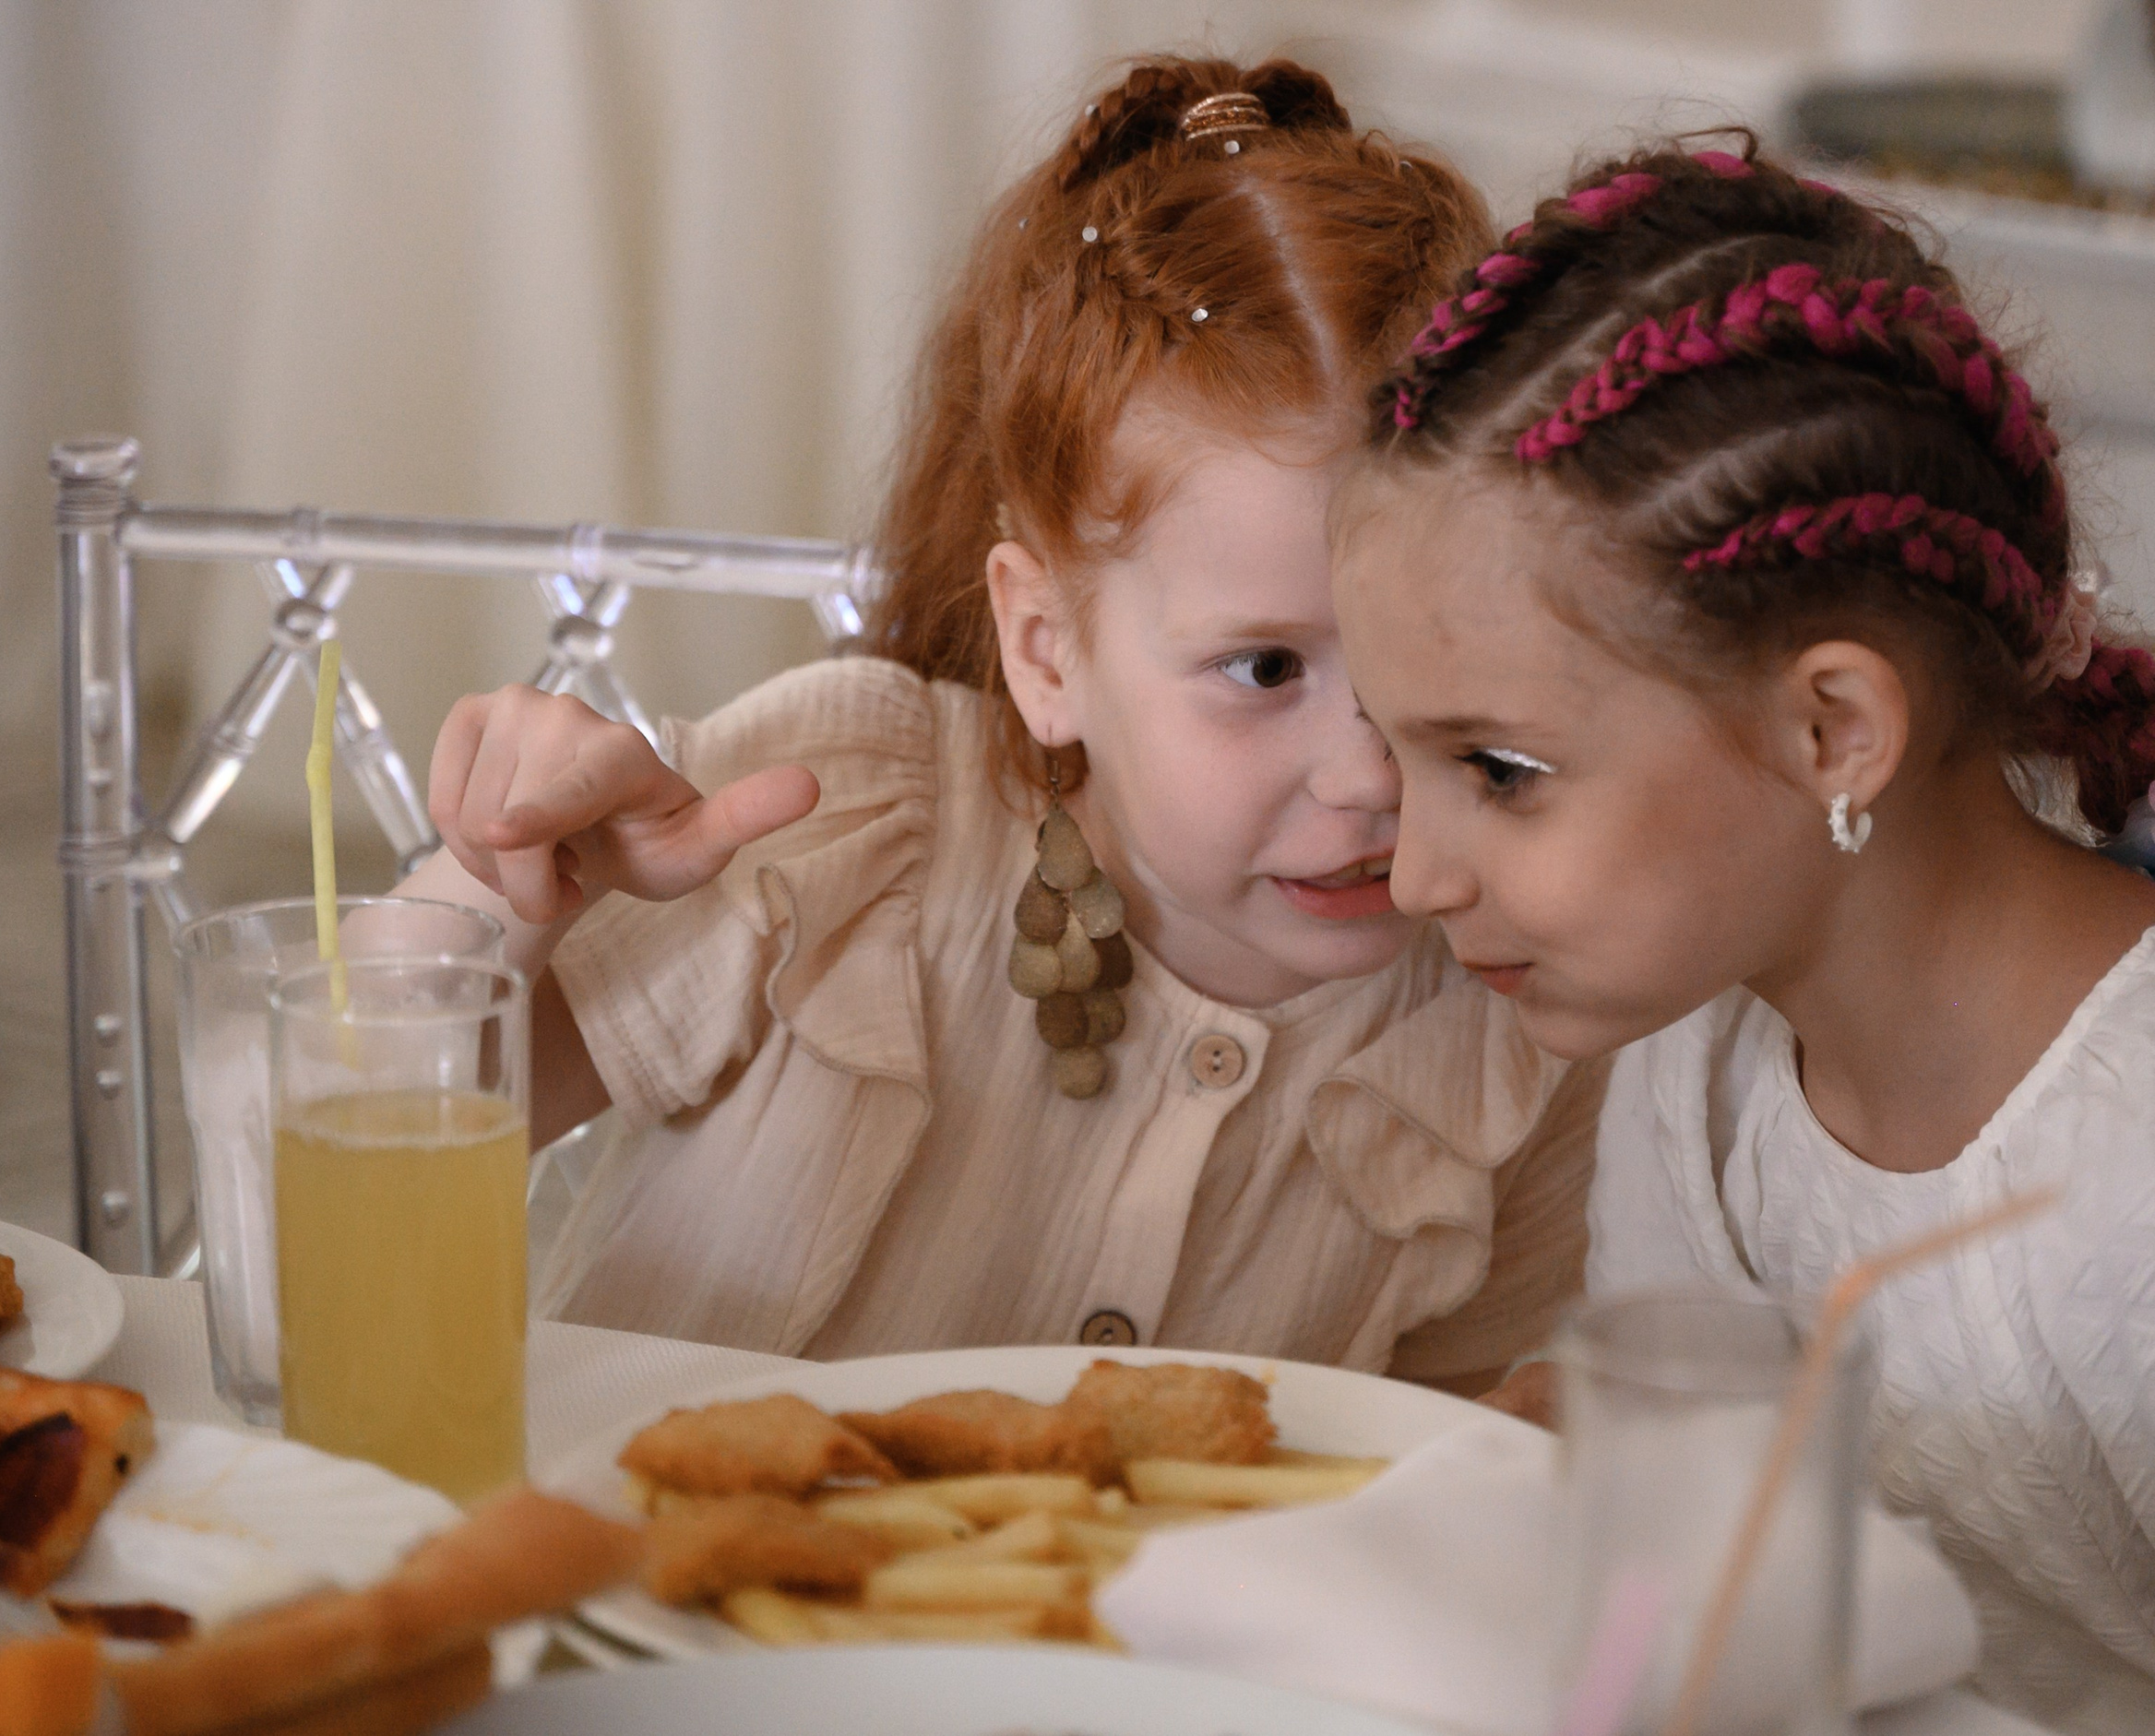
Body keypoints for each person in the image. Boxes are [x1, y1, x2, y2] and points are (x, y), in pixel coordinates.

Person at [400, 54, 1606, 1383]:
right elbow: (354, 1134)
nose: (1369, 775)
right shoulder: (840, 823)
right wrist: (497, 896)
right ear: (1046, 647)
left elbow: (1454, 1484)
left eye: (1428, 666)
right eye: (1265, 669)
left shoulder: (1521, 1027)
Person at [1333, 137, 2155, 1729]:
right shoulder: (1698, 1057)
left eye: (1499, 772)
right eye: (1400, 754)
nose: (1416, 872)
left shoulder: (2130, 1180)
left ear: (1835, 729)